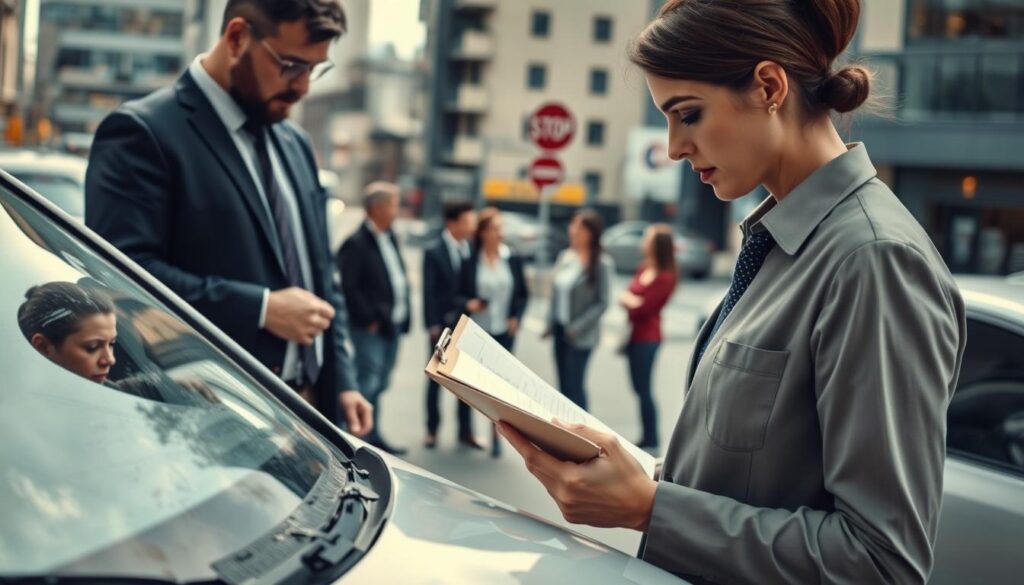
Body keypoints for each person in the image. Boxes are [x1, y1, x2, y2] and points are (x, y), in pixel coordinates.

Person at [498, 1, 967, 584]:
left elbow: (880, 563)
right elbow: (754, 476)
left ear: (770, 86)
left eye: (688, 114)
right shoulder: (783, 243)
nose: (673, 147)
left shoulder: (873, 261)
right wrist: (637, 480)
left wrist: (650, 508)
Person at [84, 0, 371, 435]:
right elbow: (121, 279)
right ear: (237, 37)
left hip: (313, 417)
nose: (304, 87)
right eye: (292, 65)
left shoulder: (295, 142)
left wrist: (342, 382)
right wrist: (260, 309)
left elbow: (322, 273)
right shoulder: (141, 133)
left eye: (316, 69)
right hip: (202, 419)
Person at [338, 182, 410, 455]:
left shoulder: (389, 236)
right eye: (393, 204)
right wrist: (368, 317)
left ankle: (373, 436)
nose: (397, 209)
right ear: (377, 208)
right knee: (367, 382)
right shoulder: (357, 243)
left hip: (391, 326)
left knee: (380, 382)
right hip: (370, 327)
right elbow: (347, 286)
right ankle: (354, 439)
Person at [457, 207, 529, 457]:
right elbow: (459, 294)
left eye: (502, 229)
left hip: (503, 331)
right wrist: (469, 303)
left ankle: (497, 436)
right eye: (496, 228)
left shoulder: (512, 259)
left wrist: (515, 317)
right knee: (469, 382)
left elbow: (523, 294)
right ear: (484, 233)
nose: (501, 233)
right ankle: (464, 430)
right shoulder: (470, 261)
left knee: (499, 387)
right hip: (476, 331)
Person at [422, 201, 477, 449]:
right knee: (435, 378)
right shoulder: (434, 251)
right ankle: (432, 429)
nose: (470, 227)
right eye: (466, 222)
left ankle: (465, 431)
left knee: (466, 381)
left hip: (465, 324)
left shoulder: (470, 250)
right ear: (452, 223)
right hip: (441, 325)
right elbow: (429, 292)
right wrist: (432, 323)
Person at [546, 210, 612, 411]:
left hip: (580, 335)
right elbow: (556, 293)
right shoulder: (565, 257)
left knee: (575, 388)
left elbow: (602, 302)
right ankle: (563, 434)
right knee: (562, 387)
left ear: (592, 233)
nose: (574, 230)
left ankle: (583, 436)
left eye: (580, 227)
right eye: (573, 225)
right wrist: (550, 322)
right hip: (560, 330)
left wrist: (577, 327)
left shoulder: (601, 263)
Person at [618, 224, 676, 452]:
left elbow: (644, 308)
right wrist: (631, 301)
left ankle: (651, 439)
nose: (643, 243)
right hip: (634, 335)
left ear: (657, 245)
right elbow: (629, 297)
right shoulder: (644, 268)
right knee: (637, 387)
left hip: (648, 338)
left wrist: (630, 301)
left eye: (648, 239)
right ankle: (646, 435)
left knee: (644, 388)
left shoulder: (665, 276)